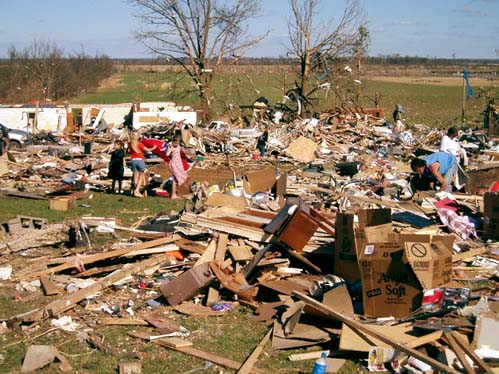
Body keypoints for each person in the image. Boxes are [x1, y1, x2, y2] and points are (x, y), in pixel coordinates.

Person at [128, 132, 155, 197]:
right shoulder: (139, 144)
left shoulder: (130, 144)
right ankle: (137, 190)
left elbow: (129, 151)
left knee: (135, 177)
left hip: (133, 160)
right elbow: (148, 150)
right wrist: (154, 147)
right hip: (140, 160)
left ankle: (135, 190)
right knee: (141, 176)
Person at [165, 134, 191, 199]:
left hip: (179, 164)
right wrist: (170, 150)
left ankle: (174, 194)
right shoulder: (171, 147)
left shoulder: (179, 146)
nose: (176, 144)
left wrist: (188, 156)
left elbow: (183, 153)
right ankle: (173, 194)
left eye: (178, 143)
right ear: (173, 141)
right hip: (174, 164)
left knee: (176, 180)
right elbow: (167, 155)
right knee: (175, 179)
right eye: (175, 143)